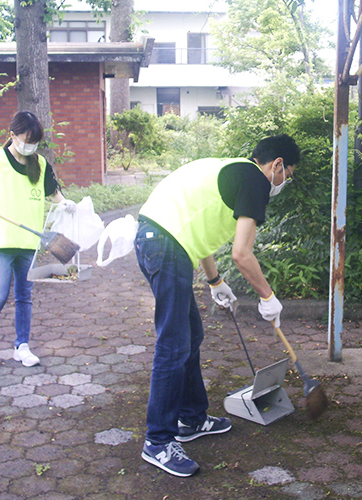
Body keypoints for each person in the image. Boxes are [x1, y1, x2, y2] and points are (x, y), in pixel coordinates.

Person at [135, 134, 300, 477]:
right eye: (289, 174)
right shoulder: (254, 180)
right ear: (277, 165)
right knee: (173, 344)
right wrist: (268, 298)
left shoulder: (236, 172)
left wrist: (214, 281)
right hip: (164, 245)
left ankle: (192, 419)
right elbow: (242, 254)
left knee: (190, 336)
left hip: (165, 241)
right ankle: (158, 441)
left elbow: (196, 231)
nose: (286, 181)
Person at [0, 111, 75, 368]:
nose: (30, 145)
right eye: (26, 139)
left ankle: (22, 346)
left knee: (25, 296)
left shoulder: (39, 164)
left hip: (28, 242)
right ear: (12, 136)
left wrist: (65, 204)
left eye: (35, 141)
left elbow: (52, 192)